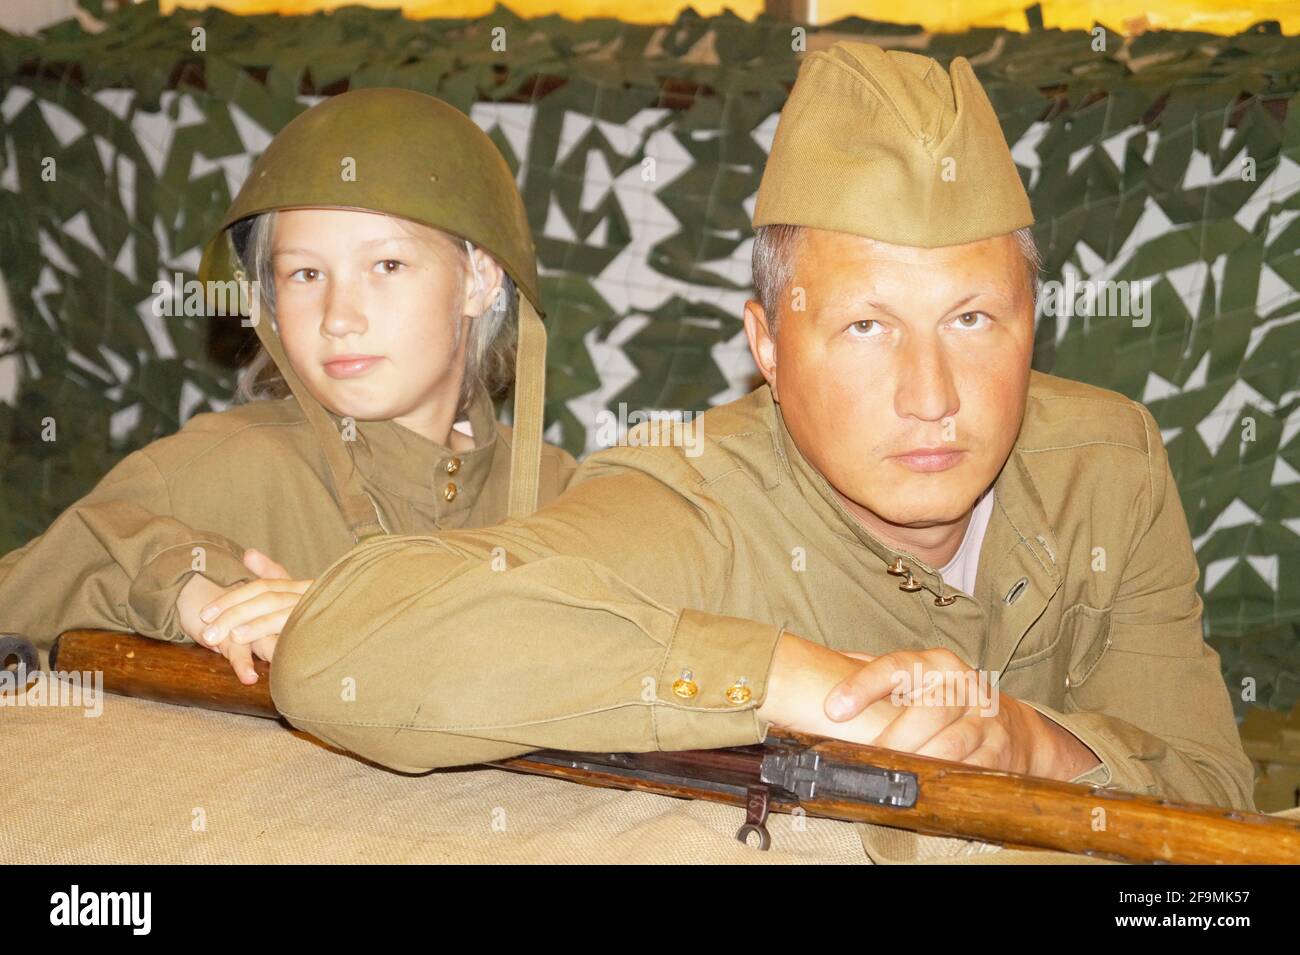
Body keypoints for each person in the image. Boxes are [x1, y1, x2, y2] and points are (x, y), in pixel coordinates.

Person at [266, 46, 1256, 863]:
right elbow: (346, 645)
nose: (932, 395)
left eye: (971, 319)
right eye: (866, 327)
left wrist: (1028, 742)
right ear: (766, 347)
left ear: (1033, 323)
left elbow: (1212, 795)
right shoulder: (693, 499)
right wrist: (815, 688)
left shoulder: (1106, 461)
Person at [0, 87, 575, 685]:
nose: (338, 317)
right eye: (305, 274)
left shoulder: (564, 493)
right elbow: (25, 591)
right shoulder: (221, 466)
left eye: (387, 265)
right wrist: (194, 589)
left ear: (479, 281)